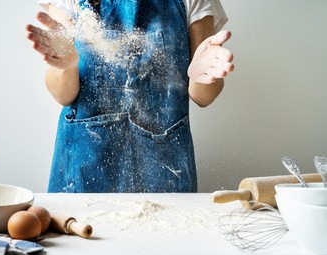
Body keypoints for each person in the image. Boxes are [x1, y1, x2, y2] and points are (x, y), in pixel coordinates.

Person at [26, 0, 234, 193]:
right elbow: (64, 95)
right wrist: (67, 64)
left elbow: (203, 97)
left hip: (164, 169)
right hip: (84, 167)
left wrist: (201, 76)